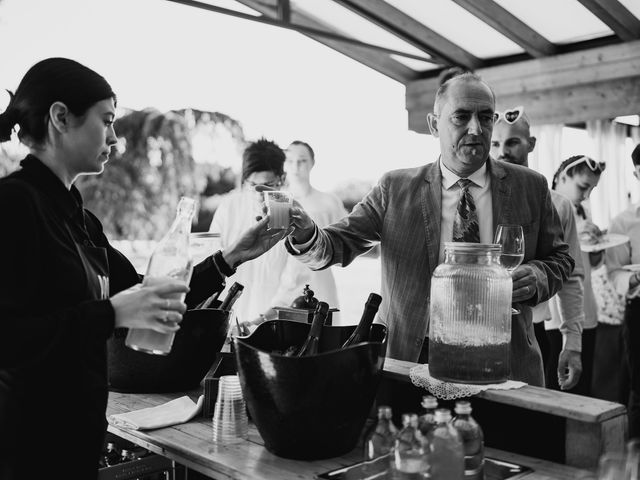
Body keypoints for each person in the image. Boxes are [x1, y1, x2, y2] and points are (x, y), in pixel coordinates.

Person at [0, 58, 287, 480]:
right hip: (24, 446)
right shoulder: (14, 205)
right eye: (107, 120)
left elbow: (146, 291)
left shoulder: (79, 216)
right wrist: (114, 313)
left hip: (75, 439)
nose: (116, 138)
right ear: (60, 117)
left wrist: (231, 258)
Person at [283, 73, 573, 386]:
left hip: (506, 362)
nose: (476, 128)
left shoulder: (530, 186)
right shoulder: (395, 188)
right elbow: (333, 245)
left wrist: (540, 276)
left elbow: (560, 258)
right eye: (461, 116)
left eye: (485, 117)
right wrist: (306, 233)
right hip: (412, 364)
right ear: (434, 125)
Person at [490, 106, 584, 391]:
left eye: (512, 142)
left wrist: (573, 342)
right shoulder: (478, 196)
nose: (502, 151)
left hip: (534, 331)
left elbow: (571, 275)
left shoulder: (558, 204)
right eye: (495, 143)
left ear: (531, 144)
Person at [210, 138, 312, 326]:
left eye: (268, 185)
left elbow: (296, 278)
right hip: (228, 320)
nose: (259, 193)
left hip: (274, 323)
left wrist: (262, 320)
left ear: (281, 178)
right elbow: (212, 260)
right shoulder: (228, 207)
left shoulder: (292, 212)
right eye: (252, 185)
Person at [551, 155, 606, 397]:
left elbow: (589, 264)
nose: (586, 196)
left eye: (592, 189)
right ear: (563, 177)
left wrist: (598, 246)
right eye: (583, 187)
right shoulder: (548, 207)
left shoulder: (583, 211)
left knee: (582, 390)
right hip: (555, 317)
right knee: (557, 390)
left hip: (586, 312)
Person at [283, 141, 347, 319]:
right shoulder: (278, 202)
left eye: (302, 160)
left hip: (320, 282)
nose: (296, 166)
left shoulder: (328, 202)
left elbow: (344, 243)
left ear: (312, 163)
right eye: (290, 160)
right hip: (283, 286)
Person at [606, 143, 640, 434]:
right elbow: (615, 272)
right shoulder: (623, 222)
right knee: (639, 390)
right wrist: (635, 279)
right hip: (639, 312)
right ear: (636, 174)